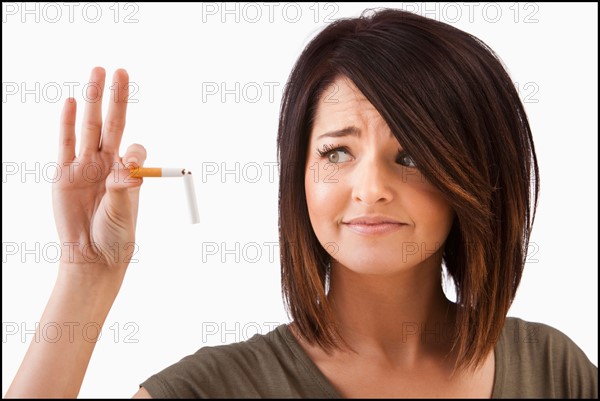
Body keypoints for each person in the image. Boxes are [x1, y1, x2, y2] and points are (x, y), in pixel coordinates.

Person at [5, 7, 597, 399]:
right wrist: (86, 276)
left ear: (475, 176)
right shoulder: (217, 389)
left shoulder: (552, 371)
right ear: (299, 179)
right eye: (337, 153)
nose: (369, 188)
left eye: (411, 156)